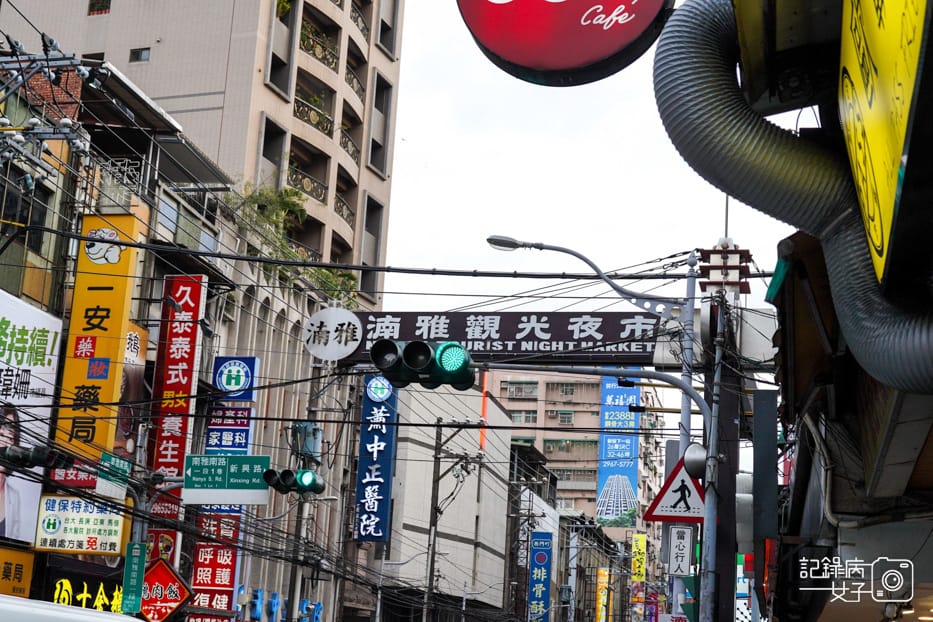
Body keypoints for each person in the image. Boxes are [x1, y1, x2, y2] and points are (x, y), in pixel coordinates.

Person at [0, 403, 27, 540]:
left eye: (10, 436)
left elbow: (15, 540)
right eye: (1, 433)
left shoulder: (14, 496)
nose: (5, 441)